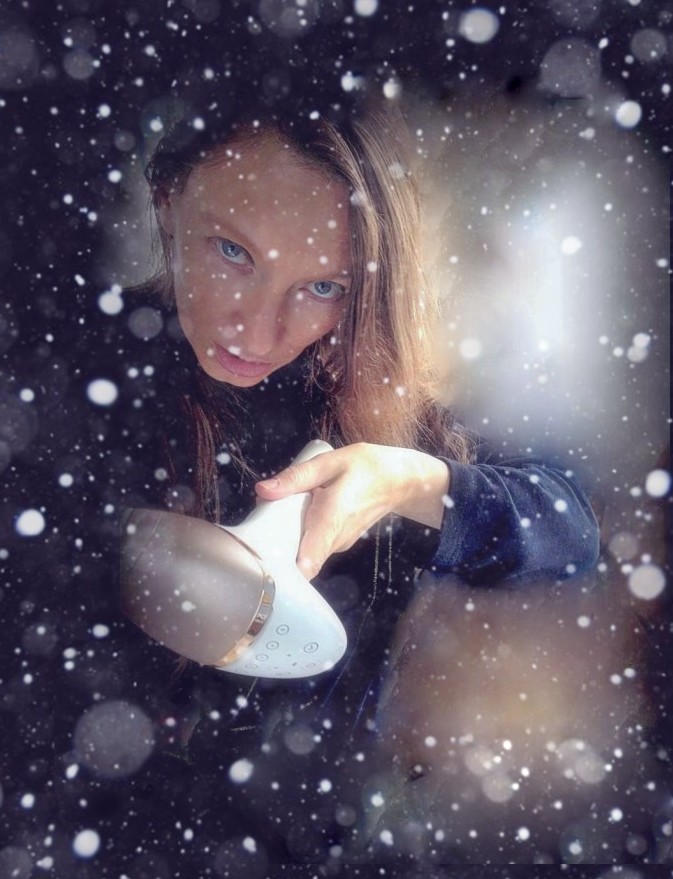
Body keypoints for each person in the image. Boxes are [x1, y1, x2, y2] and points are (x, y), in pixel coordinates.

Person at [106, 89, 600, 866]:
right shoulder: (67, 375)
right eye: (233, 252)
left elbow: (568, 533)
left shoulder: (368, 399)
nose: (259, 330)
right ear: (168, 201)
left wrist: (408, 481)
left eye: (322, 287)